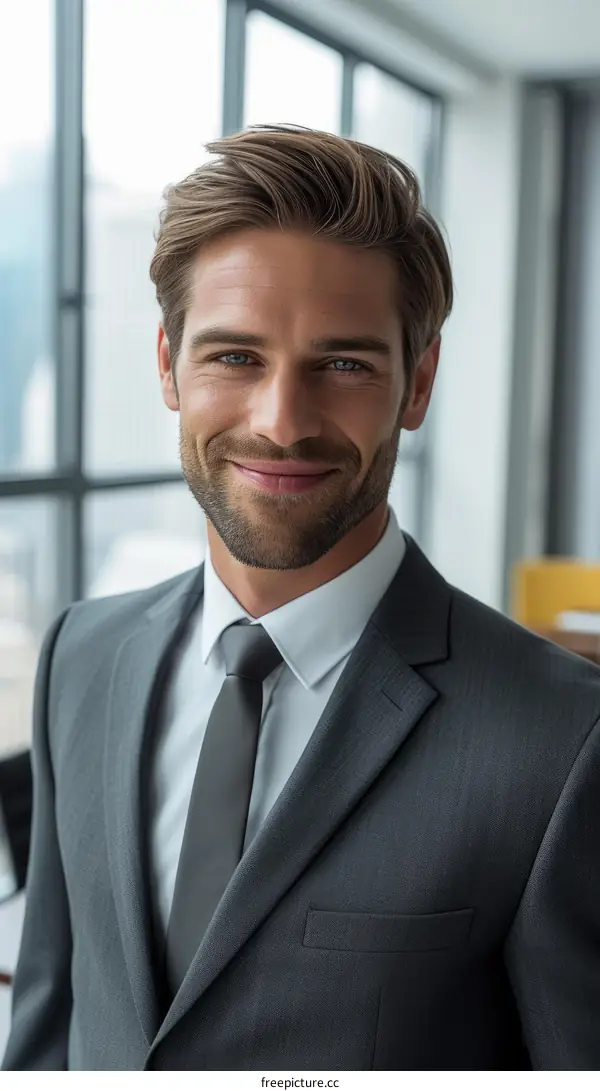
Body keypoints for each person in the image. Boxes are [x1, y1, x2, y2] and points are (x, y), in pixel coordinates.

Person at [3, 123, 600, 1072]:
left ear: (420, 381)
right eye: (235, 357)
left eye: (346, 363)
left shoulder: (564, 740)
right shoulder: (81, 653)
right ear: (168, 364)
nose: (281, 422)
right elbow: (48, 1018)